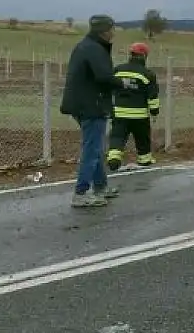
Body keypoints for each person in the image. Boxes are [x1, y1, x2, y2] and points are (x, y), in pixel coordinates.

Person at [60, 14, 123, 207]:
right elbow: (104, 76)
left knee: (95, 147)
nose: (113, 32)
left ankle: (101, 187)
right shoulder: (95, 49)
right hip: (91, 105)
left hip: (83, 103)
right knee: (92, 148)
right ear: (104, 31)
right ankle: (81, 192)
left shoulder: (86, 45)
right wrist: (121, 83)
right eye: (112, 28)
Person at [106, 42, 160, 172]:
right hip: (139, 115)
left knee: (117, 136)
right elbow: (152, 96)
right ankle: (144, 160)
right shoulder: (148, 74)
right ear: (144, 56)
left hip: (119, 113)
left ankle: (114, 158)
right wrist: (154, 112)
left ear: (131, 55)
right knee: (142, 138)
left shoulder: (117, 70)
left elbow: (109, 88)